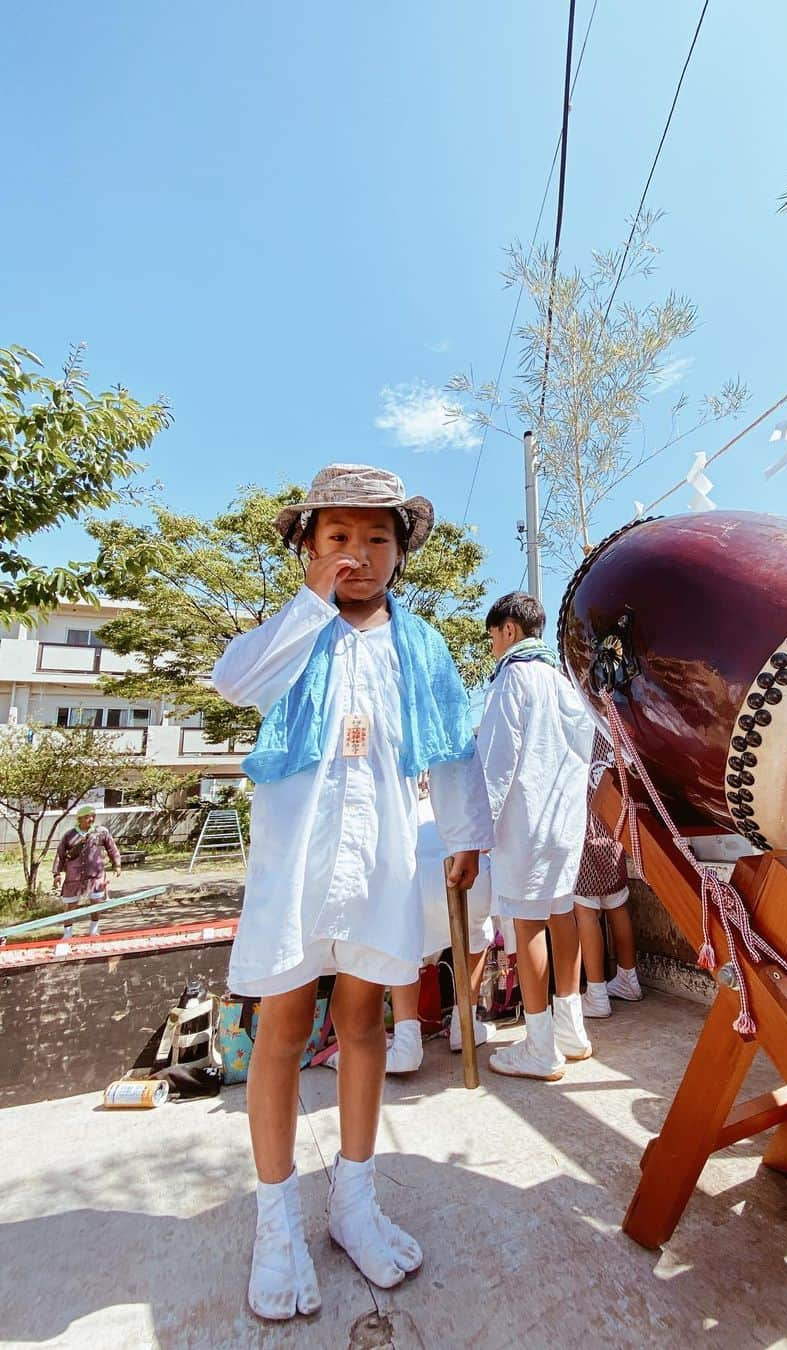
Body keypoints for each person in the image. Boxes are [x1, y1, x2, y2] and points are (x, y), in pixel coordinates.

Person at [212, 463, 492, 1320]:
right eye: (337, 537)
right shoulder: (292, 634)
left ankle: (354, 1204)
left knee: (367, 1019)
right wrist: (305, 608)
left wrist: (466, 836)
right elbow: (237, 683)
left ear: (401, 553)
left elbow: (451, 748)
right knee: (283, 1027)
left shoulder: (424, 647)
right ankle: (276, 1221)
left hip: (380, 858)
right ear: (307, 547)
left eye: (377, 538)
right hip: (295, 865)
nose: (357, 555)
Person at [477, 591, 594, 1081]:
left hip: (525, 823)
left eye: (491, 639)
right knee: (561, 913)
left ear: (508, 630)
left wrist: (478, 826)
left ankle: (540, 1045)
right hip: (566, 823)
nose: (491, 649)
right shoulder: (566, 683)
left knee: (527, 924)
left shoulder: (513, 679)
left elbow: (496, 762)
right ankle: (571, 1030)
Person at [384, 784, 494, 1074]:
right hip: (469, 862)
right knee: (476, 937)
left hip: (415, 866)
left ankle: (406, 1039)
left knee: (406, 947)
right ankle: (464, 1023)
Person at [574, 732, 644, 1018]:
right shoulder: (608, 727)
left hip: (582, 828)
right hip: (614, 824)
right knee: (617, 902)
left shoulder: (574, 722)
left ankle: (597, 992)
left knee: (585, 910)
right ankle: (629, 979)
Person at [52, 802, 121, 938]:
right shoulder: (69, 835)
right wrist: (57, 873)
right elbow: (60, 854)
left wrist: (117, 864)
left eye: (93, 816)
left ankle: (93, 930)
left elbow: (112, 848)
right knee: (70, 905)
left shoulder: (101, 832)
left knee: (96, 903)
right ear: (80, 819)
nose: (91, 819)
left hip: (95, 875)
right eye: (88, 817)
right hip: (74, 876)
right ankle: (67, 934)